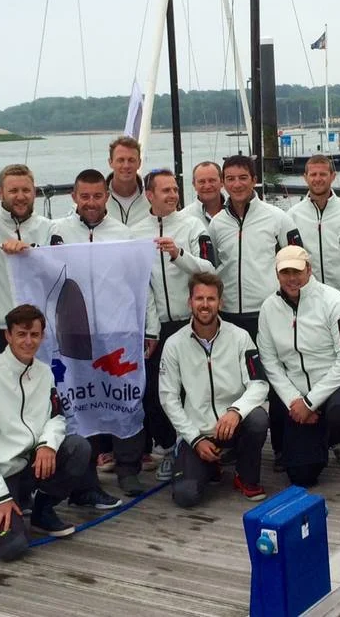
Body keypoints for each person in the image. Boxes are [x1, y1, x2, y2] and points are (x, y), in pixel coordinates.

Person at [0, 305, 92, 560]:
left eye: (34, 334)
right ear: (8, 336)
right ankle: (0, 504)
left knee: (78, 448)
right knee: (12, 548)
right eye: (21, 334)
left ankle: (41, 510)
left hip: (27, 464)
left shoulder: (44, 373)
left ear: (42, 336)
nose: (28, 341)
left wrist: (47, 445)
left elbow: (56, 417)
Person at [53, 169, 154, 497]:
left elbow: (142, 285)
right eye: (85, 196)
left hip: (118, 329)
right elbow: (43, 276)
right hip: (76, 333)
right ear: (74, 197)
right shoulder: (58, 232)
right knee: (83, 402)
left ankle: (128, 469)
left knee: (125, 399)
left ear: (106, 197)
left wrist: (149, 328)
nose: (91, 203)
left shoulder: (124, 234)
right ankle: (88, 475)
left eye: (98, 196)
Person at [208, 154, 302, 470]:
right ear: (223, 182)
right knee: (236, 383)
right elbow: (212, 268)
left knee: (276, 380)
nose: (236, 184)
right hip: (231, 315)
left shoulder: (278, 218)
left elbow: (297, 261)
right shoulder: (216, 224)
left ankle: (282, 447)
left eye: (242, 177)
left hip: (266, 313)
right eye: (230, 179)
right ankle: (238, 443)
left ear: (253, 179)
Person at [257, 246, 340, 493]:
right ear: (277, 274)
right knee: (301, 476)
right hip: (299, 393)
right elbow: (270, 361)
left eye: (297, 271)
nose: (292, 278)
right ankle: (330, 440)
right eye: (285, 272)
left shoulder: (334, 302)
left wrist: (310, 402)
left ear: (309, 270)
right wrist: (295, 401)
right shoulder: (268, 308)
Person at [130, 169, 216, 481]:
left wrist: (179, 255)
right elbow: (141, 287)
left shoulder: (194, 225)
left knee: (192, 388)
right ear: (149, 195)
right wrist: (151, 328)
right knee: (155, 392)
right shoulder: (136, 232)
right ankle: (167, 447)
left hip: (192, 320)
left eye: (175, 189)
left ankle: (194, 445)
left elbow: (210, 270)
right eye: (165, 190)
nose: (172, 195)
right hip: (159, 325)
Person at [159, 272, 269, 506]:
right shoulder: (174, 344)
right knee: (186, 497)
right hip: (198, 432)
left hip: (233, 425)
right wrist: (195, 439)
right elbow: (168, 398)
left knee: (258, 418)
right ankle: (209, 464)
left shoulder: (240, 338)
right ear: (190, 302)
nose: (205, 305)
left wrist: (236, 411)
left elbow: (259, 384)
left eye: (211, 299)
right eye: (199, 299)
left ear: (220, 302)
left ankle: (245, 476)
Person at [0, 164, 63, 357]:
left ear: (34, 193)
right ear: (0, 193)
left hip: (37, 328)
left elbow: (60, 272)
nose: (20, 196)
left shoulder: (49, 227)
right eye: (13, 191)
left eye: (26, 190)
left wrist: (32, 252)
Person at [287, 155, 340, 297]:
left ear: (333, 176)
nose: (318, 179)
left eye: (323, 174)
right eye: (313, 174)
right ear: (305, 177)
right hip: (308, 296)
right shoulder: (292, 216)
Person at [106, 136, 150, 226]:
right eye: (120, 160)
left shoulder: (152, 200)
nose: (126, 166)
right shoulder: (96, 202)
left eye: (131, 160)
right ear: (110, 162)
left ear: (139, 163)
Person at [180, 161, 226, 226]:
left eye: (212, 180)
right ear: (194, 185)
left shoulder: (235, 213)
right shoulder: (183, 218)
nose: (207, 186)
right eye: (202, 182)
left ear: (222, 182)